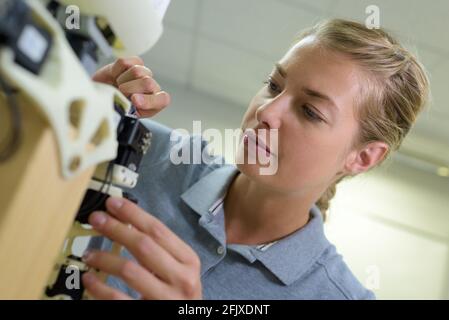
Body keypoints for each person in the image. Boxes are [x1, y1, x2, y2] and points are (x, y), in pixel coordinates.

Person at [82, 19, 429, 299]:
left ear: (363, 157)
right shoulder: (145, 149)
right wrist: (79, 113)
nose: (267, 111)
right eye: (274, 86)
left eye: (310, 111)